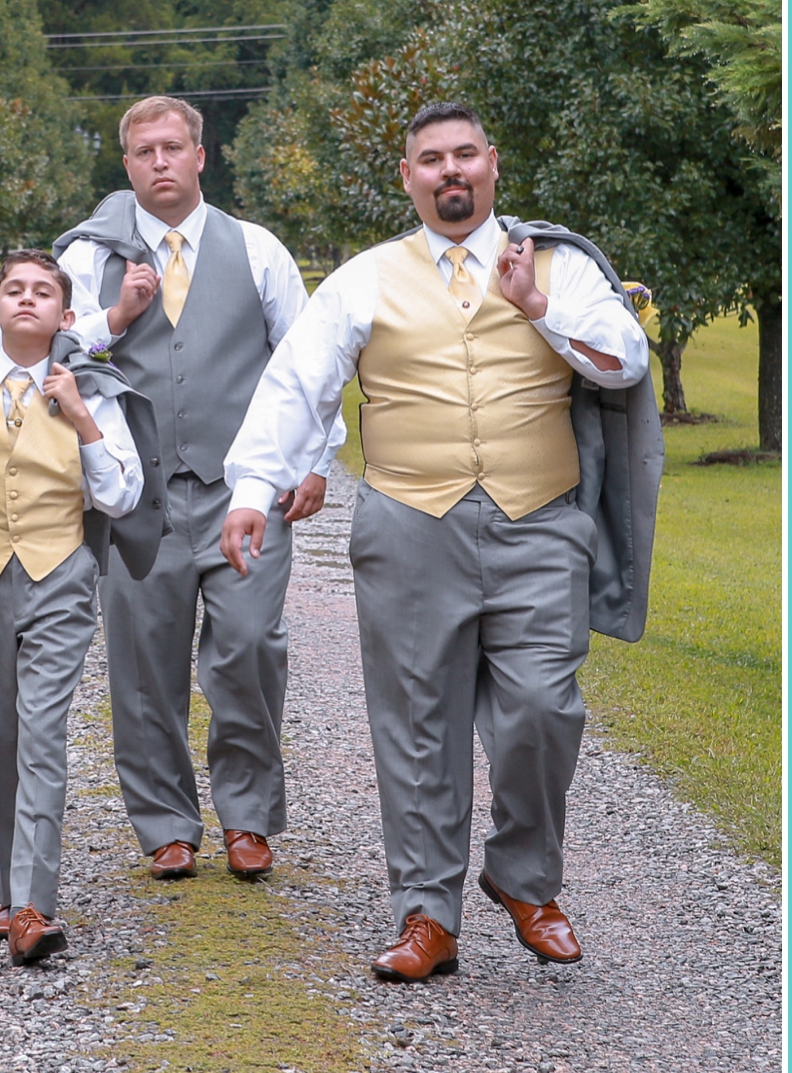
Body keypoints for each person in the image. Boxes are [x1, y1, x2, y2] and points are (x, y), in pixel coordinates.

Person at [221, 102, 659, 979]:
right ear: (408, 177)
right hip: (409, 522)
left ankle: (523, 876)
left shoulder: (557, 266)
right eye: (431, 159)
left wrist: (533, 305)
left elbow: (624, 359)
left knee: (544, 708)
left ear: (493, 164)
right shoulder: (364, 278)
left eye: (465, 155)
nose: (449, 171)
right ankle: (427, 914)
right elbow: (296, 384)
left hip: (538, 518)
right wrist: (252, 490)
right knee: (417, 721)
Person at [56, 96, 345, 883]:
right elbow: (56, 352)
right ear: (127, 166)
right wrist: (117, 314)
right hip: (134, 496)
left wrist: (317, 461)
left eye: (172, 147)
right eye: (144, 151)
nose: (159, 162)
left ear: (199, 155)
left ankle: (247, 818)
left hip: (241, 489)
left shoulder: (258, 251)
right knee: (143, 664)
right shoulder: (90, 260)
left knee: (249, 648)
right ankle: (166, 826)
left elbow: (309, 365)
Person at [0, 249, 157, 963]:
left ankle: (34, 906)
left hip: (61, 576)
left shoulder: (96, 394)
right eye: (12, 291)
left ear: (66, 315)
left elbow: (121, 496)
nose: (26, 300)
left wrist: (80, 417)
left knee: (43, 730)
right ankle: (7, 892)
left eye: (42, 292)